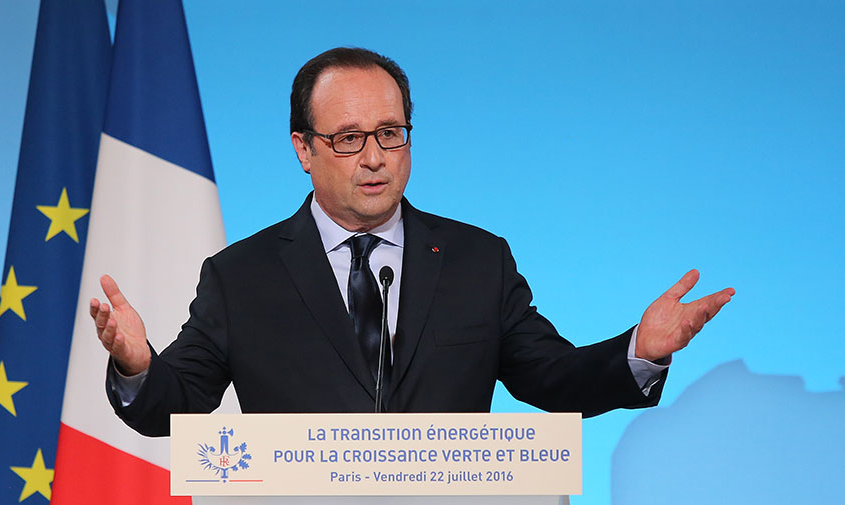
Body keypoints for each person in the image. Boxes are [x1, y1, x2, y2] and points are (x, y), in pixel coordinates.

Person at [90, 47, 734, 436]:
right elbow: (178, 403)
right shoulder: (242, 277)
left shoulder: (477, 262)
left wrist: (639, 353)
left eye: (390, 133)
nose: (374, 157)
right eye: (348, 138)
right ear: (304, 150)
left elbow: (554, 379)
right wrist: (138, 364)